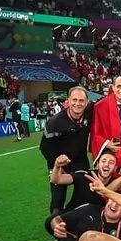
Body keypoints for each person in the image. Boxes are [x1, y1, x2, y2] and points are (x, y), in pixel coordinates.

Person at [40, 86, 94, 214]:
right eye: (74, 100)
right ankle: (55, 224)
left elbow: (108, 99)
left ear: (87, 103)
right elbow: (44, 147)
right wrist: (57, 164)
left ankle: (84, 218)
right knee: (57, 199)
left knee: (88, 192)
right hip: (58, 163)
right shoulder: (55, 122)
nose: (77, 103)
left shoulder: (89, 112)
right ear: (68, 101)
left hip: (80, 161)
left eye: (81, 101)